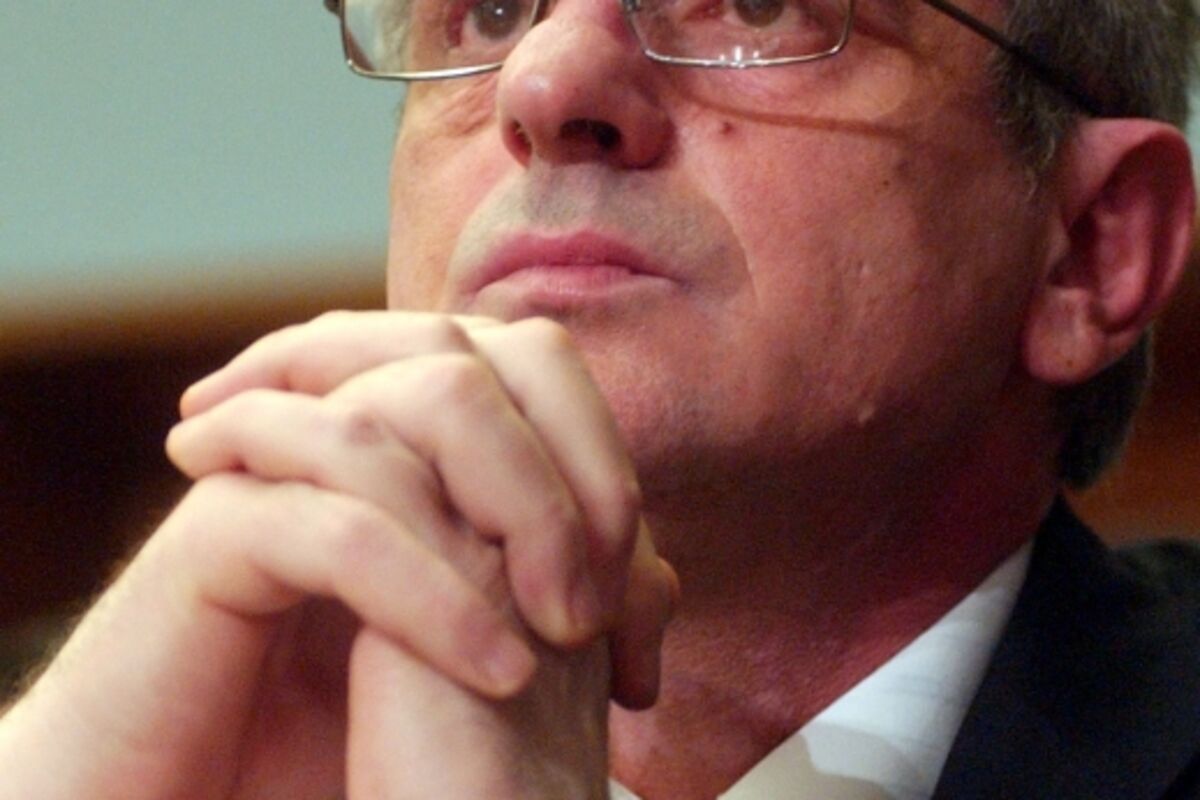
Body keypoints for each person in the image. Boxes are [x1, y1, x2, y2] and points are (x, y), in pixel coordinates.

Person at [2, 0, 1198, 796]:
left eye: (758, 3)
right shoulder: (99, 739)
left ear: (1094, 247)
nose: (544, 79)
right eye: (489, 9)